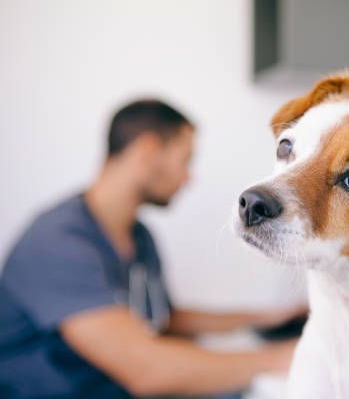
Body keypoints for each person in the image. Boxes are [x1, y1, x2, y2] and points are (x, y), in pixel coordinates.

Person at [0, 100, 303, 398]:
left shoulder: (139, 237)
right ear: (147, 151)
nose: (188, 177)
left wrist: (265, 318)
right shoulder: (58, 241)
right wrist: (289, 356)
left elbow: (162, 317)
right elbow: (146, 371)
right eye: (185, 160)